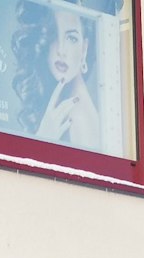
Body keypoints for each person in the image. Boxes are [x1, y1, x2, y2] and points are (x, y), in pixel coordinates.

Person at [12, 3, 102, 151]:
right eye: (53, 35)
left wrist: (43, 141)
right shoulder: (60, 108)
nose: (61, 49)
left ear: (84, 49)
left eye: (71, 38)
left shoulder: (81, 118)